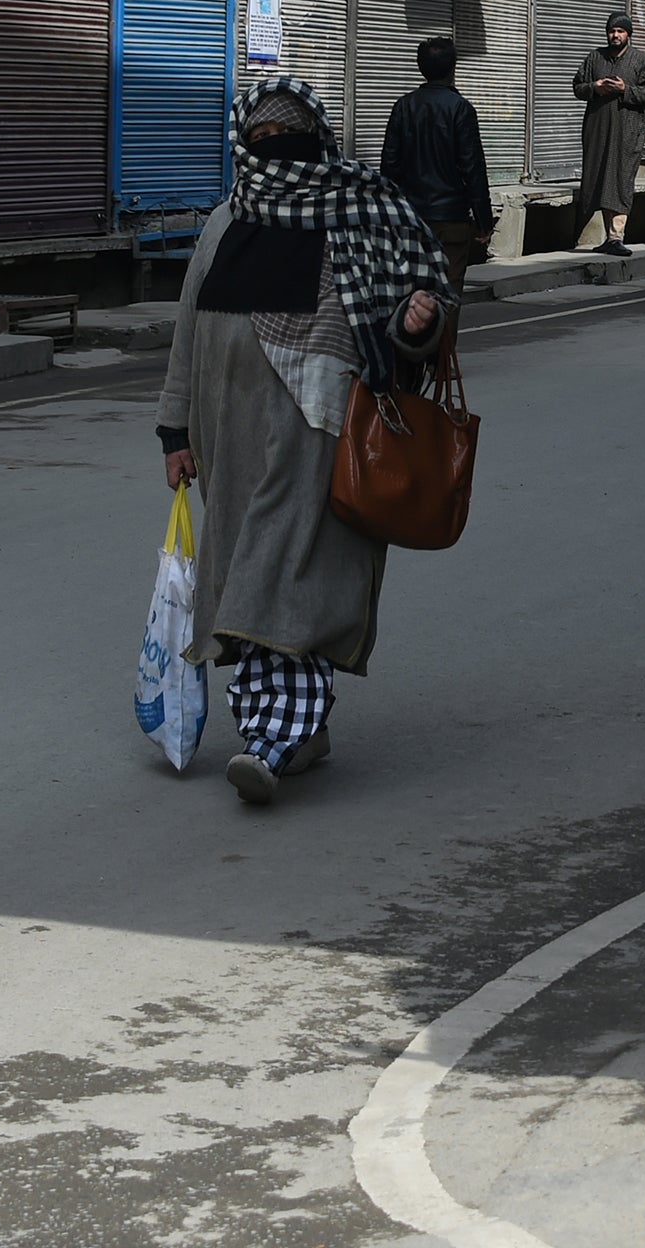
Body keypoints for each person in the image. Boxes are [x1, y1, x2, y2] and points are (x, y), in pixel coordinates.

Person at [157, 77, 451, 808]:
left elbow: (420, 305)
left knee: (281, 583)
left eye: (289, 136)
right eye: (262, 138)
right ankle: (300, 733)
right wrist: (174, 430)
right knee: (245, 582)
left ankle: (271, 742)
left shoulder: (363, 211)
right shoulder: (227, 222)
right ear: (243, 145)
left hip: (319, 435)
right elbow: (189, 333)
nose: (275, 151)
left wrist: (417, 324)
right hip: (228, 441)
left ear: (318, 139)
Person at [380, 34, 494, 297]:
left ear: (421, 68)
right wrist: (483, 220)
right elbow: (472, 167)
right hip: (451, 216)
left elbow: (389, 165)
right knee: (449, 290)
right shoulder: (461, 108)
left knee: (411, 292)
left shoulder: (403, 106)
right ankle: (444, 339)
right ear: (453, 68)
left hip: (411, 216)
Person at [572, 11, 645, 257]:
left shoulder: (640, 60)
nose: (615, 35)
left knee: (620, 179)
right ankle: (606, 238)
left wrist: (625, 89)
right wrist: (595, 87)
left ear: (628, 34)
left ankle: (616, 236)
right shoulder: (594, 58)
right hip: (598, 130)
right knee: (598, 177)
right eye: (612, 31)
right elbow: (577, 87)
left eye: (620, 31)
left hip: (627, 132)